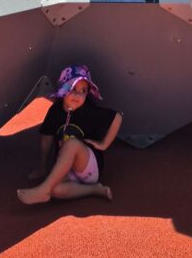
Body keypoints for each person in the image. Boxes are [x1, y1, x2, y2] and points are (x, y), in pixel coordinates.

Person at [17, 64, 122, 205]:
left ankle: (43, 190)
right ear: (62, 89)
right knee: (55, 190)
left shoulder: (89, 111)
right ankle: (94, 190)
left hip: (87, 167)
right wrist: (43, 166)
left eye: (83, 91)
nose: (77, 95)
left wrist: (104, 144)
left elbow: (117, 117)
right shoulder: (55, 111)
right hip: (68, 170)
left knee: (71, 144)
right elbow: (46, 139)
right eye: (72, 89)